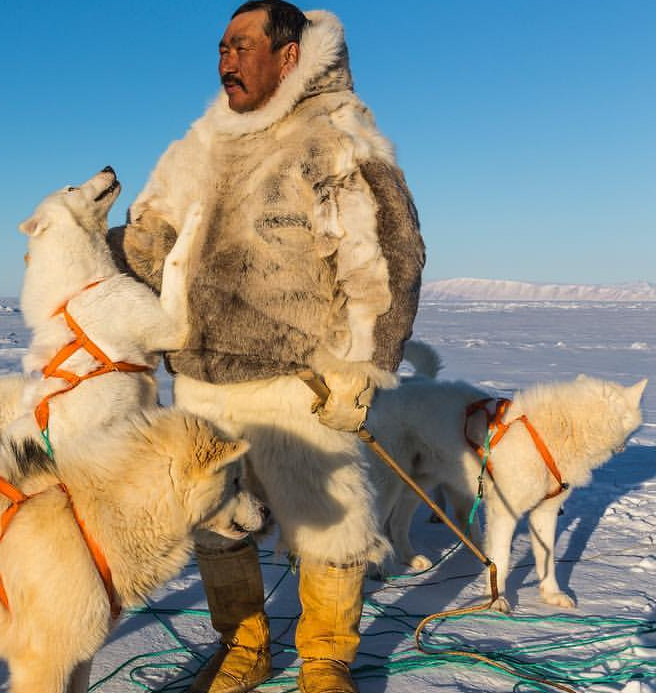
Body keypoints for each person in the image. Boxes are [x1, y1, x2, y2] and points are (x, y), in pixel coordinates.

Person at [108, 3, 424, 692]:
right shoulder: (201, 142)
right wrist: (82, 255)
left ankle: (326, 659)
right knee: (217, 519)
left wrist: (362, 369)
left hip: (297, 380)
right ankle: (244, 646)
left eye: (242, 44)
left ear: (288, 55)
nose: (226, 58)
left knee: (327, 518)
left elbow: (386, 255)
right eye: (221, 46)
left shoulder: (332, 132)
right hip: (200, 374)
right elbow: (149, 236)